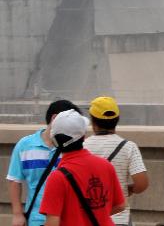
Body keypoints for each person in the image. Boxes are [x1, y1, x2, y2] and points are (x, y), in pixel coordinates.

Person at [39, 109, 126, 226]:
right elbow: (120, 205)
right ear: (83, 137)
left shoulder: (57, 178)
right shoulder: (106, 166)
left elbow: (52, 223)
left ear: (54, 141)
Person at [7, 100, 81, 226]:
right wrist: (17, 214)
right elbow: (14, 180)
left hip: (68, 219)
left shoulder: (73, 147)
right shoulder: (25, 145)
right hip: (36, 219)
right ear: (54, 118)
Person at [84, 96, 150, 226]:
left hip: (90, 218)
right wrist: (129, 189)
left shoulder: (83, 147)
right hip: (120, 218)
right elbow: (142, 183)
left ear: (93, 122)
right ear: (117, 120)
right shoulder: (128, 147)